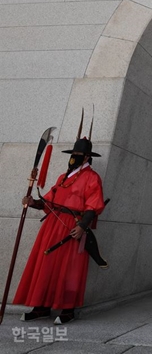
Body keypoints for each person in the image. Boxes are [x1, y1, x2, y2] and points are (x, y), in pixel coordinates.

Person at [14, 136, 106, 325]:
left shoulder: (92, 177)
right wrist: (33, 203)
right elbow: (48, 202)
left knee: (69, 267)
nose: (73, 158)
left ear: (87, 157)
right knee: (45, 264)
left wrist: (82, 226)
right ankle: (41, 307)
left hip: (72, 226)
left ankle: (67, 309)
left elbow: (93, 205)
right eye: (72, 154)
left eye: (78, 155)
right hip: (52, 225)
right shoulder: (63, 177)